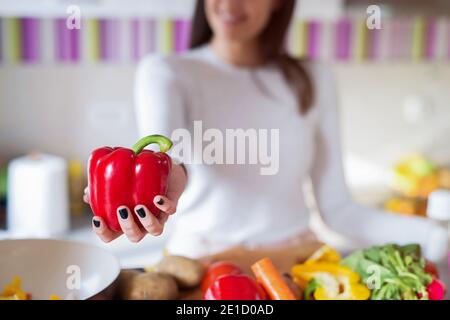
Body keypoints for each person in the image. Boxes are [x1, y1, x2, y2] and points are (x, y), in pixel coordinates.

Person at [85, 0, 447, 260]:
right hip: (201, 270)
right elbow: (166, 153)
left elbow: (338, 210)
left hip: (298, 265)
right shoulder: (166, 72)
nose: (230, 3)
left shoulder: (312, 78)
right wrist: (166, 180)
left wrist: (434, 236)